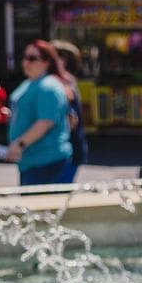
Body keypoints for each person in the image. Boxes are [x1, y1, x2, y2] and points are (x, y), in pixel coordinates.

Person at [4, 39, 76, 186]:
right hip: (31, 161)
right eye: (24, 57)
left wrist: (20, 144)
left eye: (32, 58)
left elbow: (45, 122)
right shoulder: (30, 82)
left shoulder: (48, 86)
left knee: (39, 201)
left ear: (46, 62)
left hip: (47, 161)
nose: (26, 62)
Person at [51, 40, 88, 182]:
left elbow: (71, 120)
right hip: (71, 149)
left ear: (62, 61)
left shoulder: (64, 84)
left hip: (68, 151)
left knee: (58, 191)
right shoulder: (67, 81)